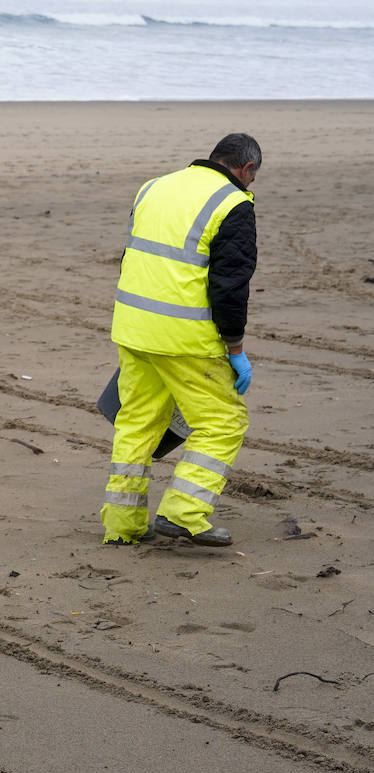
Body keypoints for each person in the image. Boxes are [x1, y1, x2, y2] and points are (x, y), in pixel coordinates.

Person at [100, 133, 261, 547]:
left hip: (134, 327)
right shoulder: (233, 203)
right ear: (246, 170)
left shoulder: (153, 186)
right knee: (224, 422)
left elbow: (134, 255)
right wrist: (236, 349)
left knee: (137, 422)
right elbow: (230, 286)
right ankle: (184, 513)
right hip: (186, 338)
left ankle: (123, 525)